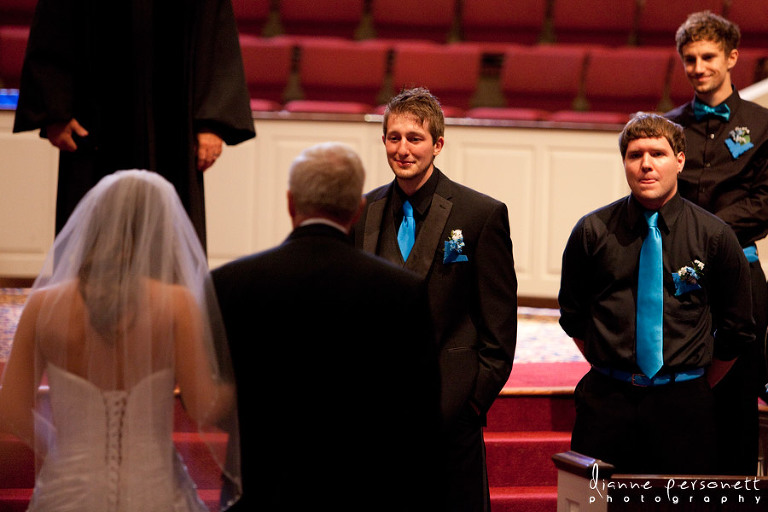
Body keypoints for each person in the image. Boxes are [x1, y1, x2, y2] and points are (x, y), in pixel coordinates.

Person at [212, 142, 441, 512]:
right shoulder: (402, 291)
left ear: (291, 203)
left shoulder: (229, 282)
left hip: (262, 485)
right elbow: (420, 411)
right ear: (357, 210)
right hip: (361, 489)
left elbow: (213, 399)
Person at [0, 170, 240, 511]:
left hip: (67, 489)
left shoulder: (42, 305)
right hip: (155, 491)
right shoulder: (176, 304)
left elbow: (10, 408)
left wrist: (60, 448)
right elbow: (204, 406)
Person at [559, 113, 755, 474]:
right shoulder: (592, 231)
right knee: (598, 500)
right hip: (607, 402)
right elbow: (573, 314)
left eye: (658, 154)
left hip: (685, 405)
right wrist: (612, 365)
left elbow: (737, 327)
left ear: (679, 160)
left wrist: (696, 383)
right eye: (635, 155)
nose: (645, 165)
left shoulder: (714, 236)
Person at [353, 87, 518, 512]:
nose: (402, 149)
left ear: (438, 144)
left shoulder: (480, 214)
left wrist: (472, 402)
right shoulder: (362, 211)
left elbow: (499, 323)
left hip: (452, 414)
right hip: (376, 415)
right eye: (394, 138)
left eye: (415, 138)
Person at [12, 0, 256, 249]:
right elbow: (55, 18)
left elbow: (214, 23)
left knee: (171, 245)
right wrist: (55, 108)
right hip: (93, 121)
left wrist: (211, 121)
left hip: (175, 123)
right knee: (90, 244)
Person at [664, 10, 768, 475]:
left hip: (739, 272)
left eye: (708, 57)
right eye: (690, 59)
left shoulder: (763, 125)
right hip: (675, 272)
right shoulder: (667, 128)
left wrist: (704, 231)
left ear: (731, 58)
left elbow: (765, 203)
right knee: (680, 390)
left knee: (738, 394)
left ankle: (737, 497)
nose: (698, 67)